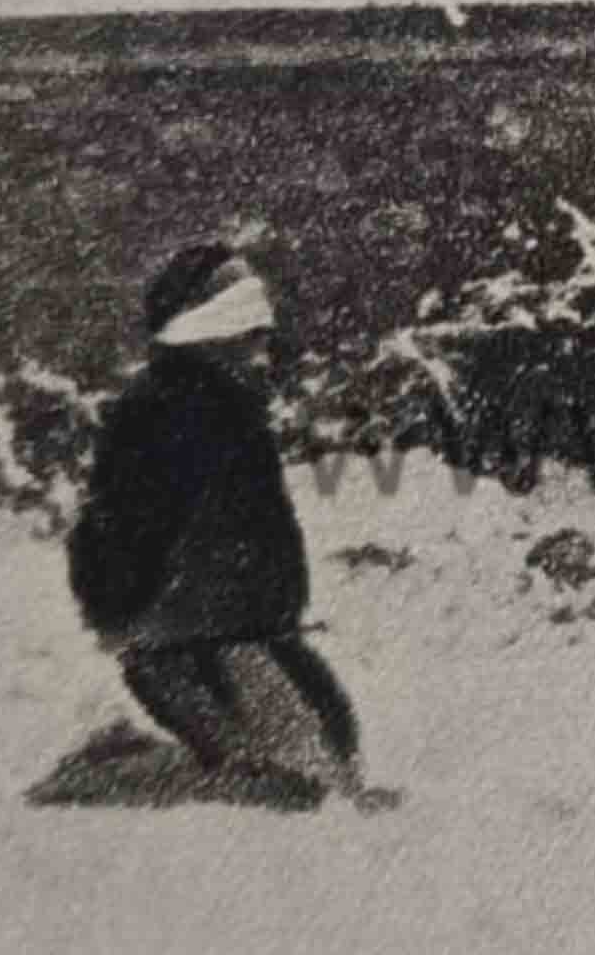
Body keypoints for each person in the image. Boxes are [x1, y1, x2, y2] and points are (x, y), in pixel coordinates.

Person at [65, 246, 393, 812]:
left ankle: (296, 783)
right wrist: (125, 615)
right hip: (200, 637)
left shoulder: (217, 403)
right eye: (251, 335)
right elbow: (116, 527)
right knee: (304, 781)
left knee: (312, 766)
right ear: (212, 330)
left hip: (229, 633)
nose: (263, 349)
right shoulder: (174, 409)